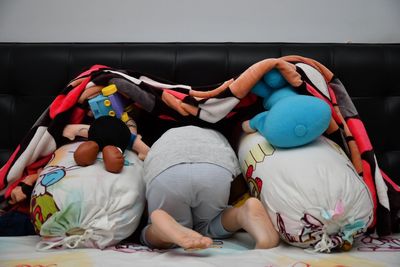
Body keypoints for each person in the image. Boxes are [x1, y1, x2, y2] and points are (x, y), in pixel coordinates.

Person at [140, 125, 279, 250]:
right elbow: (237, 179)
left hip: (166, 171)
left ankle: (160, 229)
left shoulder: (163, 139)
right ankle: (242, 214)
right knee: (209, 225)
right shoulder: (216, 135)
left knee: (153, 233)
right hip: (214, 168)